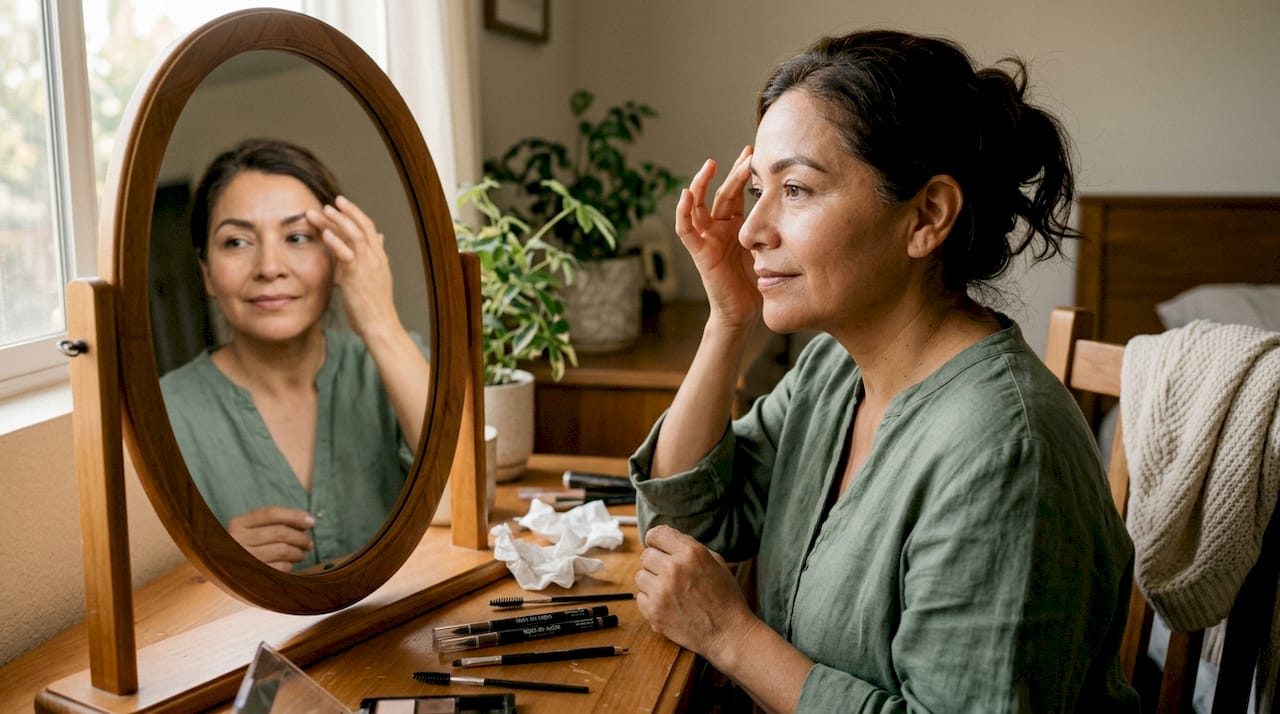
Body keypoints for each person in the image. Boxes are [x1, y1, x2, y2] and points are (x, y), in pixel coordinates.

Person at [631, 30, 1140, 712]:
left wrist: (731, 636)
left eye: (798, 189)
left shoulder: (1004, 453)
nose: (751, 229)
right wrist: (728, 319)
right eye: (758, 189)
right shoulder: (835, 372)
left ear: (927, 216)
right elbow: (689, 517)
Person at [160, 138, 430, 573]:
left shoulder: (393, 363)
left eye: (298, 237)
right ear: (207, 272)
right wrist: (209, 570)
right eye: (236, 242)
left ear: (338, 255)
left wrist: (380, 320)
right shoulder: (164, 413)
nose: (270, 267)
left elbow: (467, 501)